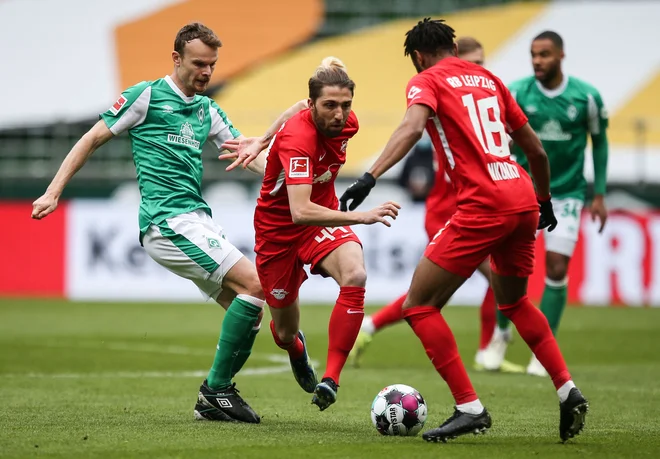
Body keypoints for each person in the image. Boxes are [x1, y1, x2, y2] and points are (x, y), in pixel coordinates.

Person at [30, 22, 307, 424]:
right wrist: (53, 191)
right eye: (199, 64)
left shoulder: (207, 109)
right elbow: (91, 137)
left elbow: (248, 156)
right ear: (176, 59)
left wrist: (289, 182)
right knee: (256, 284)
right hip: (166, 222)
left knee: (249, 306)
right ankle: (216, 391)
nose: (207, 72)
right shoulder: (146, 96)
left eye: (212, 65)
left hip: (198, 222)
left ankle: (225, 391)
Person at [339, 18, 588, 443]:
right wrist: (543, 200)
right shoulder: (490, 78)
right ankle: (567, 390)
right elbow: (535, 149)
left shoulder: (428, 80)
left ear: (418, 57)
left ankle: (469, 407)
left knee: (418, 306)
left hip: (483, 204)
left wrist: (370, 176)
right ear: (453, 46)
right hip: (523, 196)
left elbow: (412, 127)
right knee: (515, 303)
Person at [223, 57, 400, 411]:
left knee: (356, 274)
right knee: (285, 332)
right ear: (314, 105)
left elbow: (297, 105)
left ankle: (331, 380)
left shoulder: (347, 123)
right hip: (280, 232)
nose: (340, 114)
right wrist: (359, 217)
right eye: (330, 106)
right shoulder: (299, 139)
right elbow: (299, 211)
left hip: (321, 220)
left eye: (346, 105)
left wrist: (262, 139)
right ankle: (296, 349)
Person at [349, 36, 524, 374]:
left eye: (482, 65)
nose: (476, 71)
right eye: (473, 64)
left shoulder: (478, 102)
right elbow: (413, 129)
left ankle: (371, 326)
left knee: (434, 298)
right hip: (452, 211)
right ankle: (490, 352)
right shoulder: (445, 100)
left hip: (478, 209)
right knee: (488, 282)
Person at [482, 31, 609, 376]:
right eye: (533, 54)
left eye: (545, 54)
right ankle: (499, 336)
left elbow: (599, 143)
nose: (538, 60)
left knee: (555, 268)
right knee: (507, 267)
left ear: (561, 56)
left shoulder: (586, 97)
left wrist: (598, 194)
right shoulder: (518, 93)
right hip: (522, 192)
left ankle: (543, 349)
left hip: (566, 193)